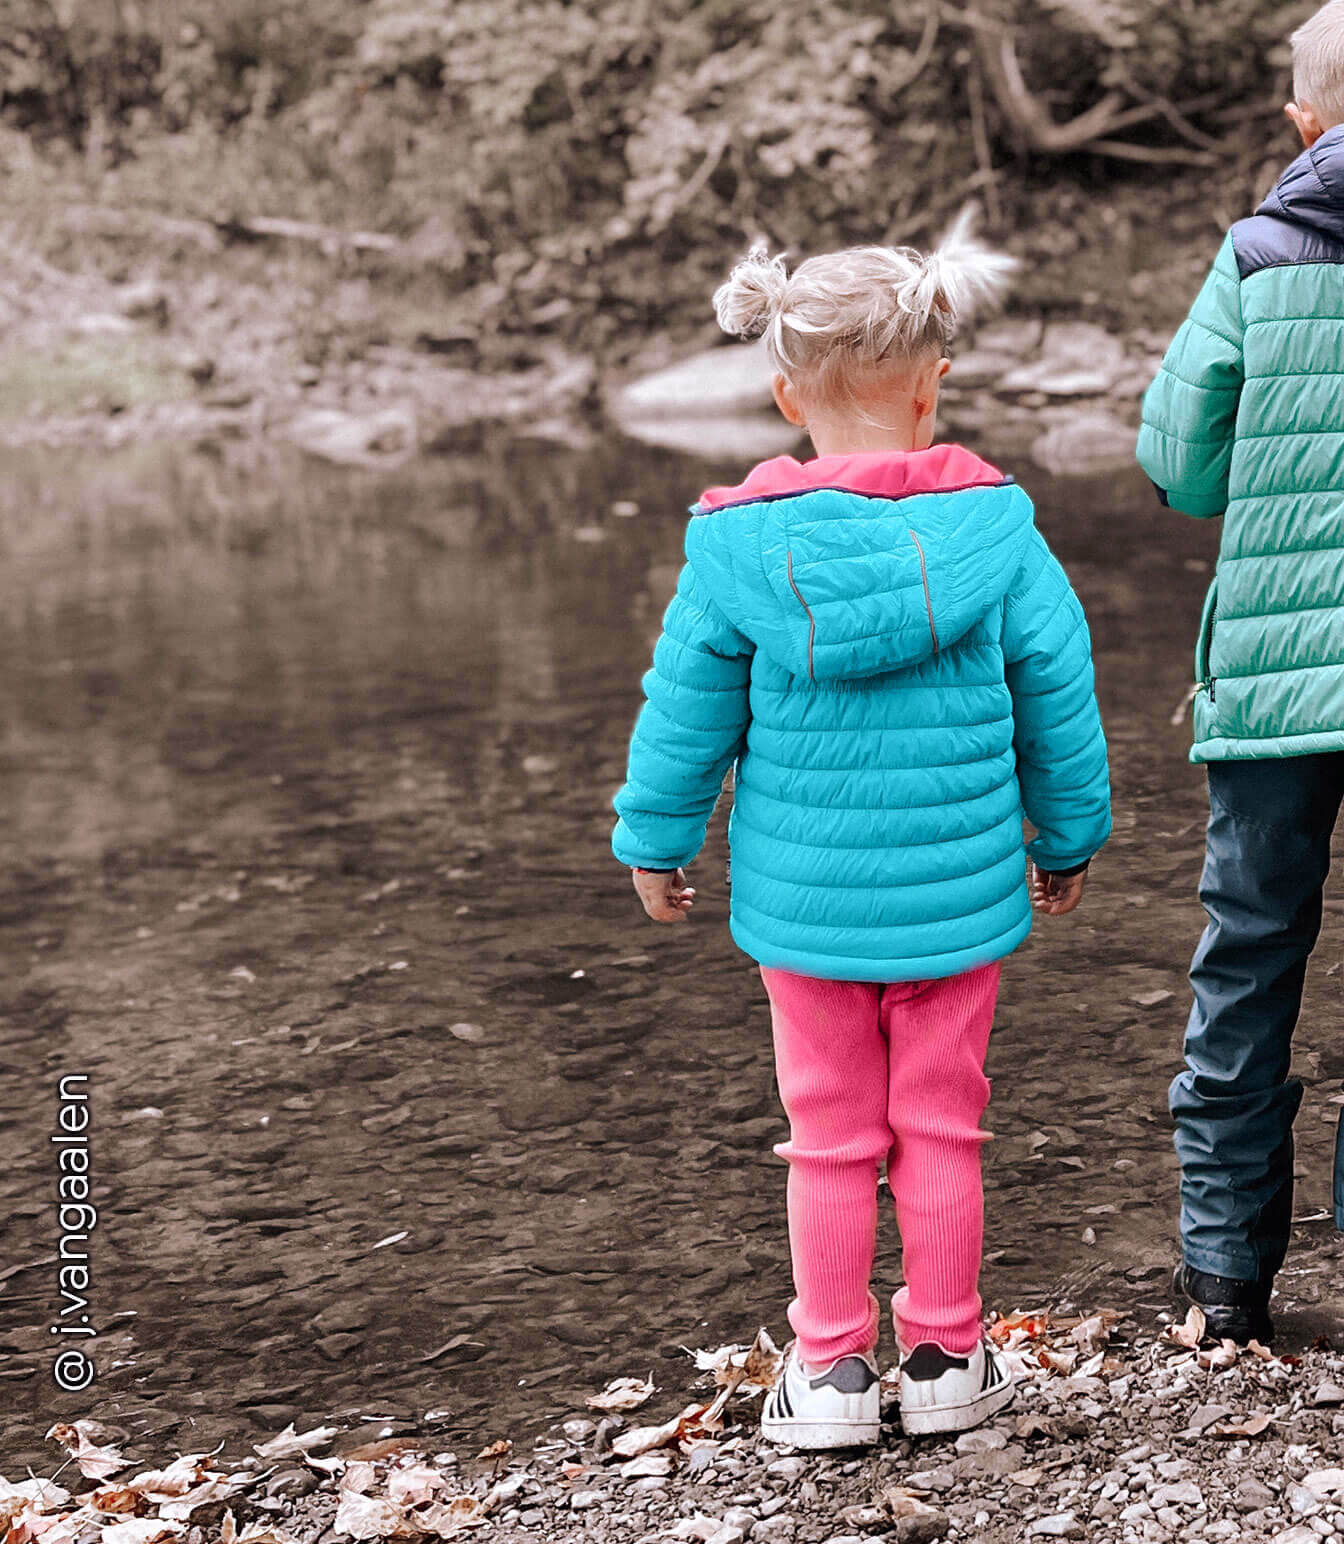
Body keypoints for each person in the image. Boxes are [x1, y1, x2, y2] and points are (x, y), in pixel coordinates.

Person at [610, 212, 1112, 1445]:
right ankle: (946, 1354)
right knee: (943, 1123)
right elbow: (1059, 687)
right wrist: (1068, 835)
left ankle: (829, 1373)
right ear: (934, 384)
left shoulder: (734, 549)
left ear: (786, 391)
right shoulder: (998, 529)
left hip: (804, 907)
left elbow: (686, 711)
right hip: (960, 899)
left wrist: (656, 838)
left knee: (828, 1138)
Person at [1136, 0, 1344, 1349]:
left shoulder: (1261, 252)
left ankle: (1225, 1286)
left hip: (1277, 683)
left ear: (1305, 119)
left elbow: (1182, 462)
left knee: (1251, 960)